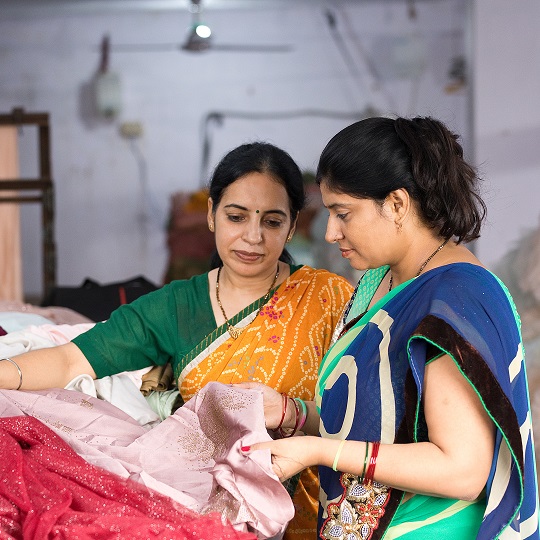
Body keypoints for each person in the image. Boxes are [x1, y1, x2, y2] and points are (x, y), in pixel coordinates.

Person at [0, 142, 353, 539]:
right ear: (211, 215)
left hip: (318, 508)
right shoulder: (176, 306)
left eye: (271, 222)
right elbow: (70, 361)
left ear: (291, 226)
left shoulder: (328, 298)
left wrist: (293, 412)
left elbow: (367, 417)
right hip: (210, 507)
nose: (252, 237)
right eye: (236, 217)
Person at [241, 117, 539, 539]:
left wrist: (316, 451)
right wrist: (292, 413)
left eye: (343, 213)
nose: (330, 232)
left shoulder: (456, 297)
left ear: (397, 204)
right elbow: (375, 422)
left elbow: (463, 469)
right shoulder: (377, 284)